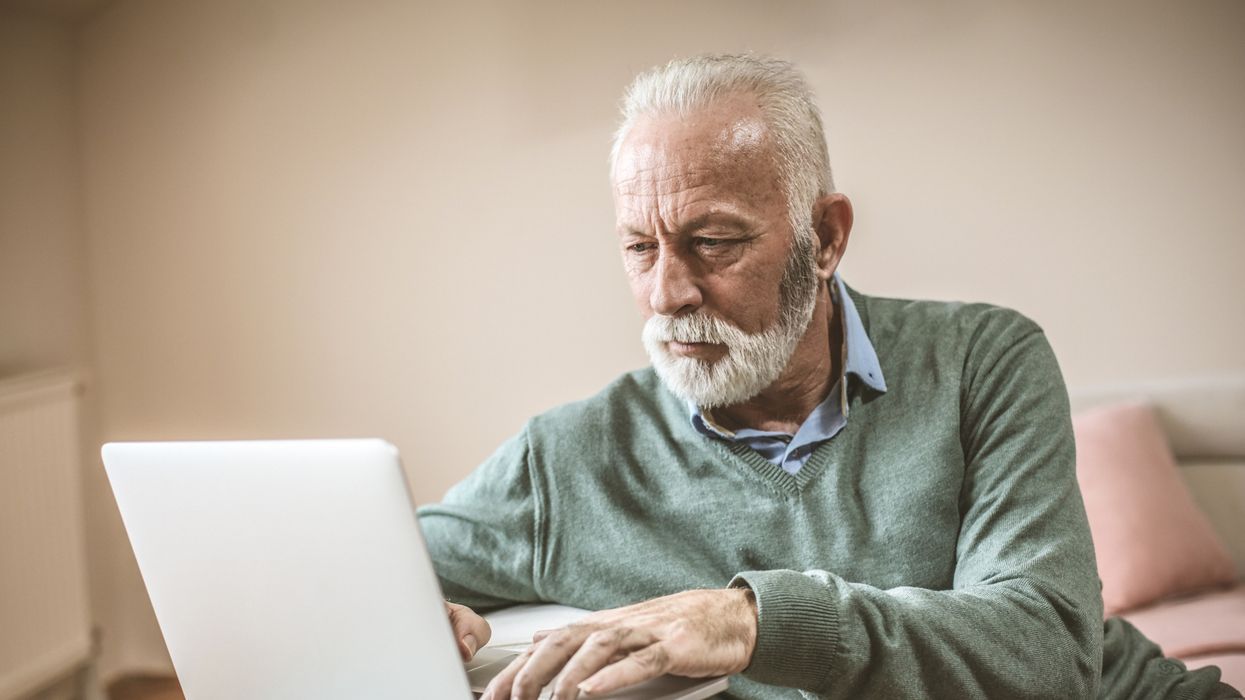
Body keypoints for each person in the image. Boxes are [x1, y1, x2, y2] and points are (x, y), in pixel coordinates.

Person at [417, 54, 1241, 700]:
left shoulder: (981, 360)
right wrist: (420, 615)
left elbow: (1046, 652)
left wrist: (753, 620)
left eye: (713, 242)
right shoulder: (566, 460)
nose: (666, 293)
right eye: (639, 247)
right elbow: (378, 568)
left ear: (825, 237)